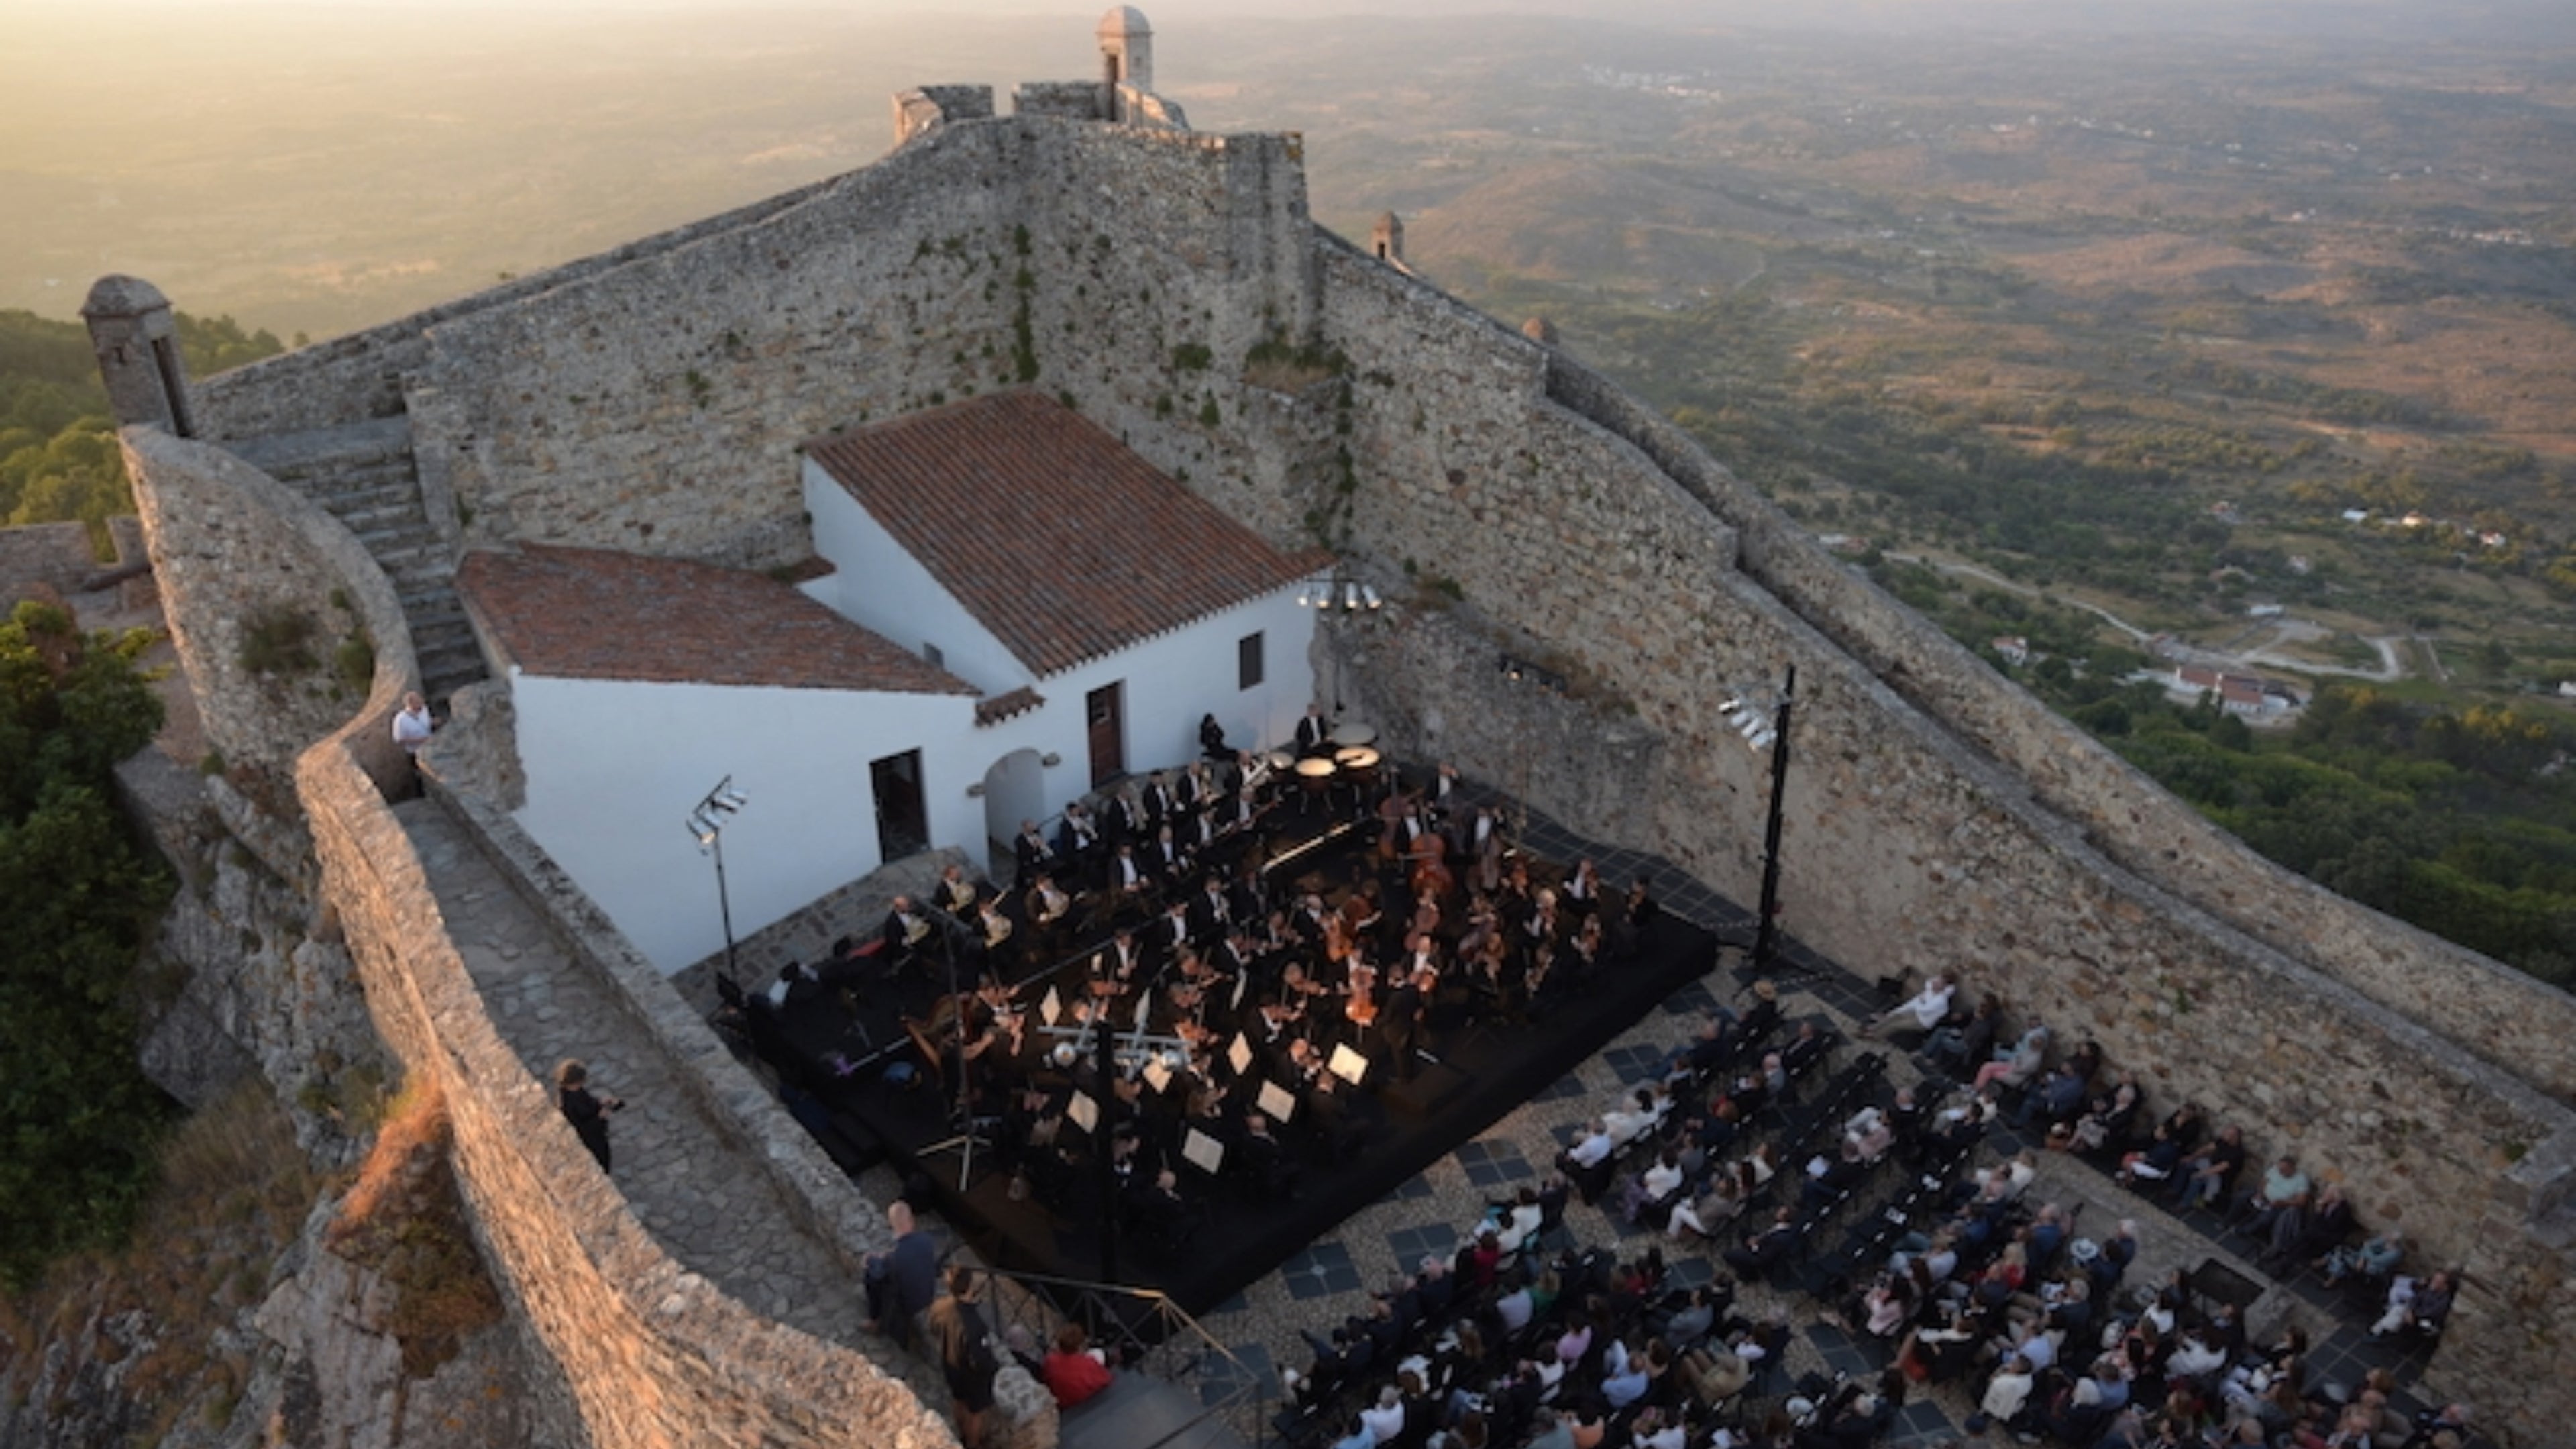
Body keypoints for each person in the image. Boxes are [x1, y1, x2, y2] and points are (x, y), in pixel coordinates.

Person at [927, 1266, 999, 1449]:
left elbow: (933, 1328)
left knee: (958, 1399)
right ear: (969, 1287)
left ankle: (959, 1431)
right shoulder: (974, 1324)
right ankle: (972, 1444)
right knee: (976, 1412)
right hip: (971, 1376)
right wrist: (994, 1367)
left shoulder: (939, 1307)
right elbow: (980, 1360)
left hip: (950, 1365)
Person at [864, 1201, 939, 1351]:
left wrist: (871, 1260)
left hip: (907, 1305)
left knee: (871, 1278)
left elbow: (878, 1273)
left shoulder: (894, 1257)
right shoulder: (926, 1240)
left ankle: (875, 1320)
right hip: (929, 1295)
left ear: (891, 1225)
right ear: (912, 1220)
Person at [555, 1059, 622, 1172]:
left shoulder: (577, 1091)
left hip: (598, 1133)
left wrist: (601, 1103)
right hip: (591, 1141)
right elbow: (581, 1130)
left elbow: (588, 1101)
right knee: (601, 1162)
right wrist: (599, 1117)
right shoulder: (566, 1105)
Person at [1042, 1322, 1114, 1409]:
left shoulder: (1050, 1361)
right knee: (1099, 1354)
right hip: (1084, 1403)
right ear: (1080, 1346)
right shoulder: (1088, 1365)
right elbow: (1106, 1380)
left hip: (1062, 1402)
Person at [392, 690, 434, 760]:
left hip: (429, 746)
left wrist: (433, 722)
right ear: (410, 704)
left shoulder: (424, 709)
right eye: (417, 701)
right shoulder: (401, 720)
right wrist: (421, 740)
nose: (421, 701)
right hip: (415, 752)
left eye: (420, 699)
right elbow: (400, 739)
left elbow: (425, 722)